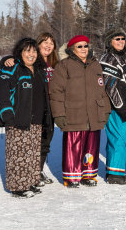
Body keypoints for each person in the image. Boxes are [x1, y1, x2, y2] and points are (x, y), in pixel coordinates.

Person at [49, 35, 111, 188]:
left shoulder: (95, 65)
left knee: (91, 146)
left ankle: (88, 175)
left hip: (94, 114)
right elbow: (56, 92)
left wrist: (106, 110)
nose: (84, 49)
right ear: (72, 49)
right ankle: (72, 176)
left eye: (86, 46)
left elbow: (102, 90)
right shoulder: (64, 65)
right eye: (80, 46)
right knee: (74, 146)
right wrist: (59, 114)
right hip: (73, 113)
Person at [0, 37, 52, 198]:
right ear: (20, 52)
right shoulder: (13, 68)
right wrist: (7, 113)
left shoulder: (38, 69)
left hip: (36, 120)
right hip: (17, 119)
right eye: (28, 51)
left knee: (32, 154)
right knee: (18, 155)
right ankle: (18, 187)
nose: (31, 54)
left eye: (34, 51)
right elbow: (1, 91)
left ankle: (29, 182)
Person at [100, 28, 126, 185]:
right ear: (110, 42)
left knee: (121, 139)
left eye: (122, 38)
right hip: (116, 108)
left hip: (125, 106)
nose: (121, 41)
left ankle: (116, 169)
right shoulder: (108, 59)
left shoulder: (121, 57)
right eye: (117, 39)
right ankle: (114, 174)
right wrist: (121, 108)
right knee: (118, 139)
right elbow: (111, 86)